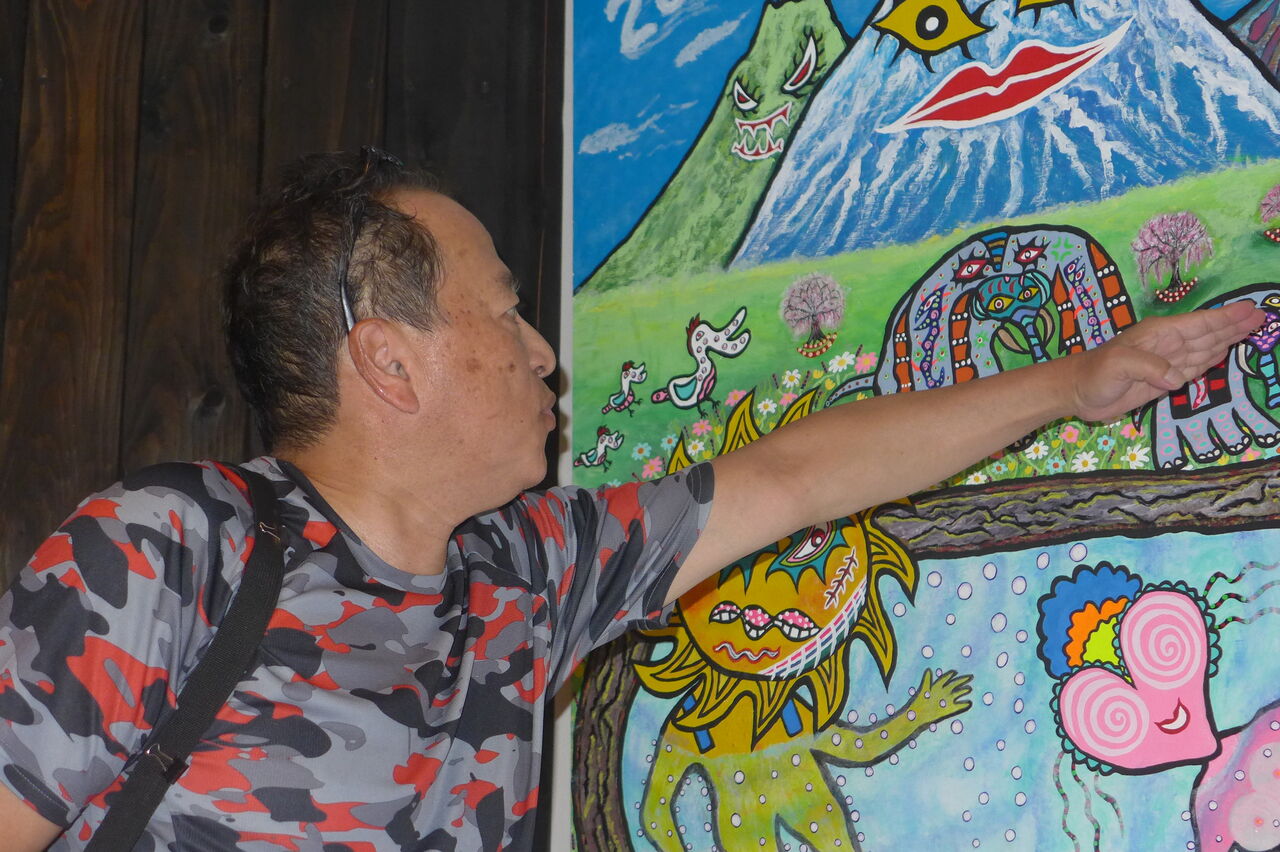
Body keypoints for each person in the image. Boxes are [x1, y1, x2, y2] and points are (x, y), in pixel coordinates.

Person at [0, 148, 1263, 852]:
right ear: (389, 362)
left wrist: (1079, 384)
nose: (542, 352)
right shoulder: (168, 551)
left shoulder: (523, 570)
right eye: (504, 311)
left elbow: (794, 477)